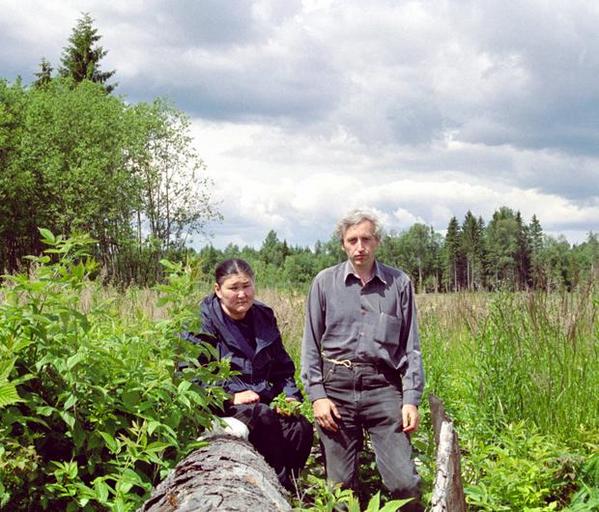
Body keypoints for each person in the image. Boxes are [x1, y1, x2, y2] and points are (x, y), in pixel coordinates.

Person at [301, 209, 425, 510]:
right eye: (352, 240)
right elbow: (310, 346)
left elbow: (411, 347)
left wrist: (410, 399)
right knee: (340, 491)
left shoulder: (399, 284)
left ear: (377, 241)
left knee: (404, 484)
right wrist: (317, 396)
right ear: (343, 244)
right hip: (337, 389)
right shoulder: (324, 283)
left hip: (383, 387)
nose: (360, 247)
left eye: (366, 239)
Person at [187, 258, 313, 492]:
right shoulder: (200, 322)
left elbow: (283, 367)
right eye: (233, 288)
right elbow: (191, 376)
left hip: (262, 400)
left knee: (300, 427)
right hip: (222, 405)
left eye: (246, 286)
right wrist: (229, 397)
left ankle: (291, 486)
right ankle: (279, 484)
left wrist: (290, 398)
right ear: (218, 289)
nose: (242, 294)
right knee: (261, 415)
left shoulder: (264, 316)